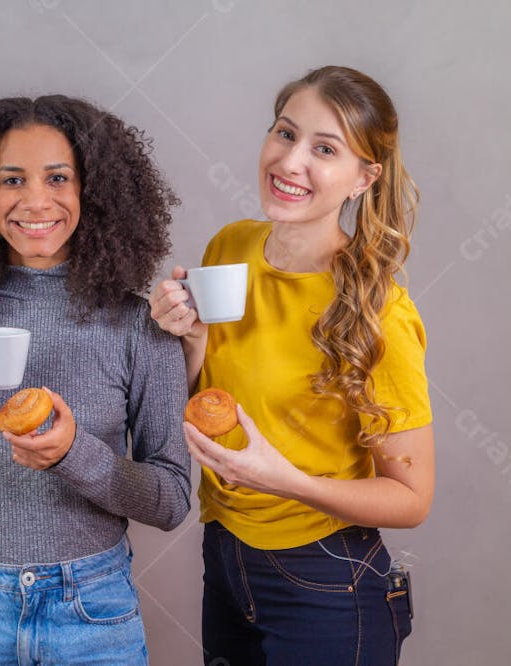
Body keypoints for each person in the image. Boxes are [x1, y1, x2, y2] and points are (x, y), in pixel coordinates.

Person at [0, 95, 191, 665]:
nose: (36, 200)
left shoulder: (138, 325)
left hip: (94, 611)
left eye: (58, 177)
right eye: (11, 179)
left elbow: (173, 499)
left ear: (93, 192)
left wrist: (75, 455)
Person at [150, 65, 433, 665]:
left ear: (364, 178)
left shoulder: (378, 311)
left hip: (327, 578)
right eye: (285, 133)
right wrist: (192, 338)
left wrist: (289, 481)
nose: (290, 160)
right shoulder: (229, 247)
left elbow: (412, 498)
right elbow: (209, 398)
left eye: (324, 149)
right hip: (225, 551)